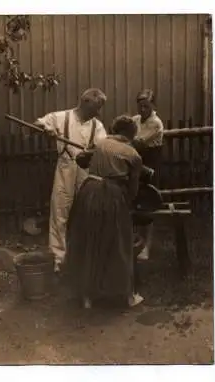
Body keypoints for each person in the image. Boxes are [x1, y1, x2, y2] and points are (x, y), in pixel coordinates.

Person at [66, 115, 144, 309]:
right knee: (119, 242)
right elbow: (134, 190)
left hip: (89, 191)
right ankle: (127, 296)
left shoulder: (99, 143)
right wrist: (127, 203)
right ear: (131, 133)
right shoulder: (133, 154)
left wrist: (91, 154)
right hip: (112, 195)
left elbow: (80, 160)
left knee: (88, 240)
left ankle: (86, 297)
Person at [34, 88, 107, 273]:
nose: (98, 113)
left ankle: (82, 258)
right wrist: (47, 130)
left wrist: (93, 151)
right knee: (60, 211)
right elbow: (38, 123)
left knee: (86, 211)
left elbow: (103, 146)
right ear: (85, 102)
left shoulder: (97, 125)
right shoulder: (61, 117)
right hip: (65, 167)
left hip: (86, 169)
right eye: (96, 108)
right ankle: (59, 259)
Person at [132, 89, 164, 261]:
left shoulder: (155, 123)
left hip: (150, 165)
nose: (143, 109)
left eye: (146, 106)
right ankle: (137, 242)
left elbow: (138, 143)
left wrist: (126, 140)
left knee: (148, 206)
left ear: (153, 105)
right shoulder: (135, 120)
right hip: (136, 165)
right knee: (135, 203)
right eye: (140, 106)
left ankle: (147, 247)